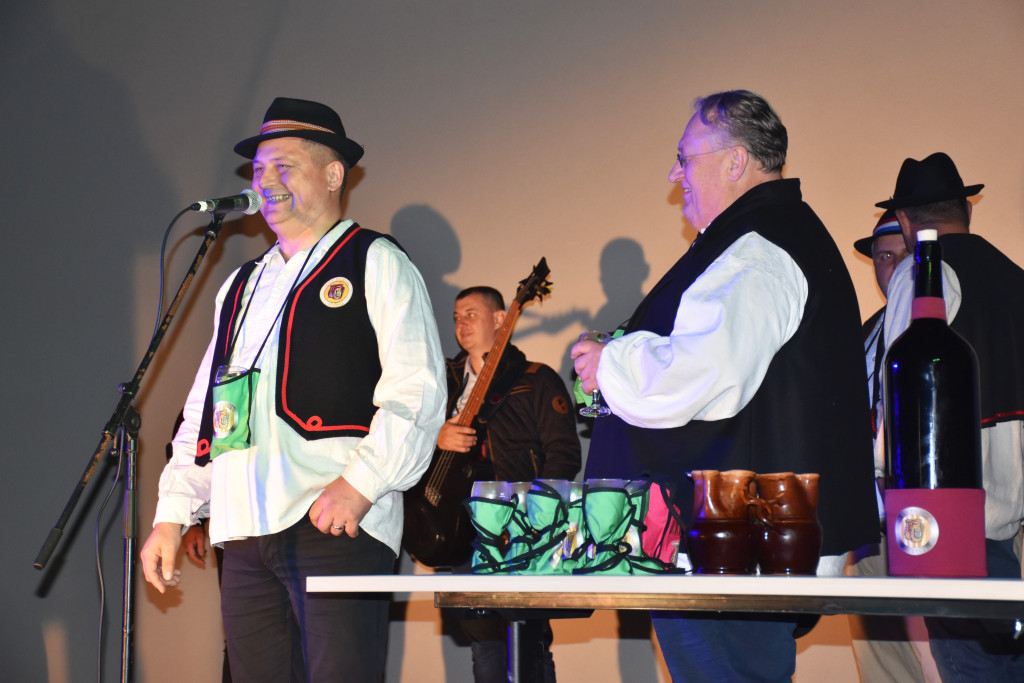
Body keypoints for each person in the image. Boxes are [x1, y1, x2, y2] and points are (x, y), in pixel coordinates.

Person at [571, 89, 879, 681]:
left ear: (736, 161)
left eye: (684, 158)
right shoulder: (767, 236)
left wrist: (612, 361)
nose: (674, 174)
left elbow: (704, 373)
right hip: (737, 547)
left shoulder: (758, 248)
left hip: (731, 548)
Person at [140, 97, 447, 682]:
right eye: (259, 170)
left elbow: (418, 391)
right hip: (244, 533)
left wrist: (361, 485)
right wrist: (173, 514)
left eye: (285, 166)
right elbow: (207, 411)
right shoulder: (241, 285)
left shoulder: (373, 260)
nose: (266, 181)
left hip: (335, 522)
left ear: (333, 175)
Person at [877, 152, 1024, 681]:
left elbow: (900, 388)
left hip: (945, 519)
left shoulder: (923, 273)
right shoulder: (1014, 277)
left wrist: (880, 469)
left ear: (905, 221)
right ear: (967, 209)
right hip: (1007, 521)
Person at [440, 285, 581, 683]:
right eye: (456, 317)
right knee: (483, 638)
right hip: (460, 526)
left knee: (528, 637)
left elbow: (563, 455)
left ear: (500, 319)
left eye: (471, 314)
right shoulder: (441, 383)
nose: (461, 324)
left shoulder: (536, 379)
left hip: (521, 527)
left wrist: (536, 519)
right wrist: (437, 436)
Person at [846, 212, 936, 683]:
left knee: (948, 655)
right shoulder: (864, 335)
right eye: (885, 256)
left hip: (934, 519)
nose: (897, 267)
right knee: (883, 660)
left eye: (906, 255)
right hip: (873, 526)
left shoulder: (950, 322)